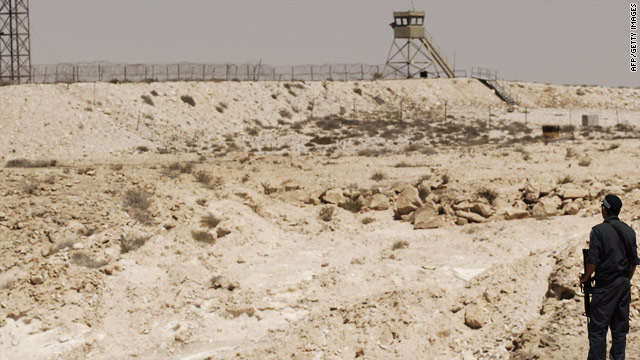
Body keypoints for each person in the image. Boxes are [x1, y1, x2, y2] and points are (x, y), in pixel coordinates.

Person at [580, 194, 640, 360]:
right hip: (623, 284)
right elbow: (634, 262)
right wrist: (625, 279)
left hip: (606, 285)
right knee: (620, 330)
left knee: (598, 330)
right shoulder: (629, 231)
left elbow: (593, 260)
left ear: (604, 209)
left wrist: (586, 277)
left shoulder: (598, 231)